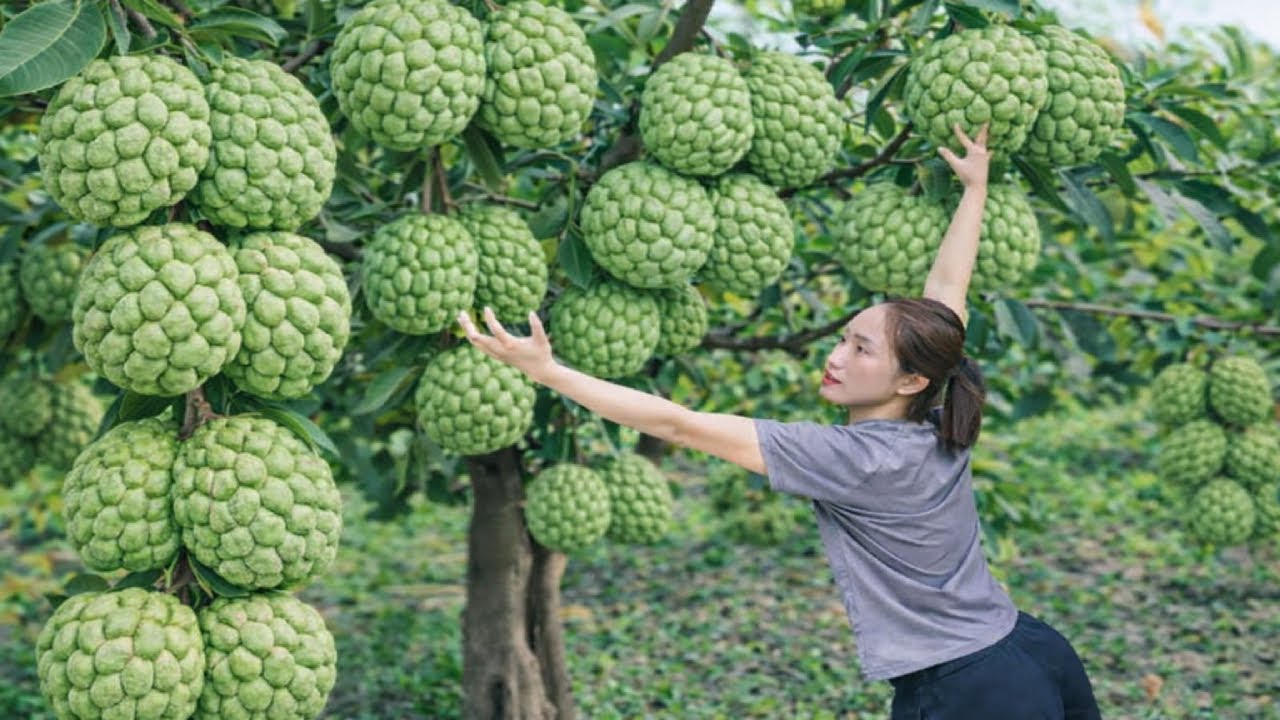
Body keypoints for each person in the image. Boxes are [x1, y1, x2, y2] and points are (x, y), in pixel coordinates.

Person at [457, 123, 1101, 719]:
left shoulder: (853, 460)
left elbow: (678, 425)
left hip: (971, 690)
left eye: (860, 349)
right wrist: (974, 191)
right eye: (843, 338)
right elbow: (947, 293)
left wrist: (549, 372)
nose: (834, 357)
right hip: (1029, 647)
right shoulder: (938, 414)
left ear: (910, 378)